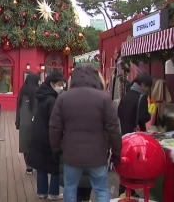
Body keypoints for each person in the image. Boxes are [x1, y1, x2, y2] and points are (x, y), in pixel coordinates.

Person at [49, 64, 122, 202]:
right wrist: (116, 151)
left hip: (71, 155)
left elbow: (54, 127)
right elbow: (113, 128)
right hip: (98, 155)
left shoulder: (64, 97)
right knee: (101, 189)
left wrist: (56, 148)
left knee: (70, 189)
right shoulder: (104, 98)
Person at [27, 72, 65, 200]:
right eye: (60, 84)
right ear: (52, 84)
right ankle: (54, 192)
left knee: (41, 165)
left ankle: (41, 191)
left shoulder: (41, 95)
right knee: (55, 164)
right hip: (49, 135)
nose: (63, 87)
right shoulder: (52, 100)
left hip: (38, 134)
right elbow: (54, 121)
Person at [117, 72, 152, 198]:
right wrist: (149, 115)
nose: (148, 90)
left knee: (125, 164)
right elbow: (143, 118)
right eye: (148, 87)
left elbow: (119, 113)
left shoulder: (126, 96)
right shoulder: (141, 98)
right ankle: (130, 190)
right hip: (136, 138)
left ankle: (124, 191)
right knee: (135, 166)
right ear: (143, 85)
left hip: (124, 136)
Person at [16, 72, 39, 175]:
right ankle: (37, 165)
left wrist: (18, 123)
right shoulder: (38, 92)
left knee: (26, 145)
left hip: (24, 122)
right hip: (36, 123)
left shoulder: (22, 92)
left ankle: (28, 167)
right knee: (36, 145)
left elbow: (18, 109)